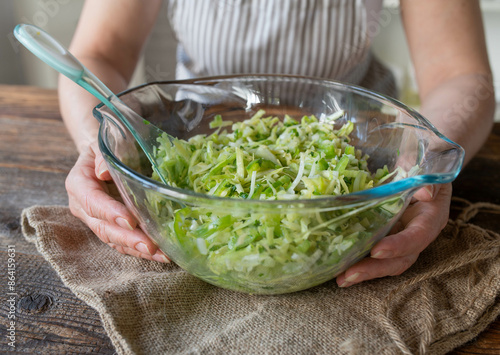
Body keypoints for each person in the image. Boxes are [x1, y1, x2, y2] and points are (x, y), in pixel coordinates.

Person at [60, 0, 495, 287]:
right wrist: (95, 142)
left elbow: (459, 75)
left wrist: (424, 157)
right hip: (191, 130)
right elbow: (100, 53)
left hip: (362, 142)